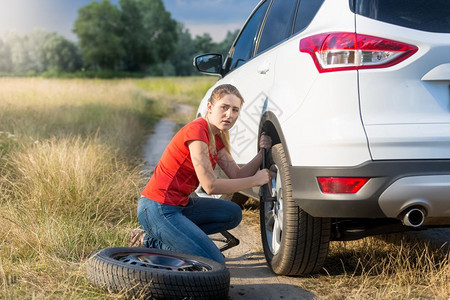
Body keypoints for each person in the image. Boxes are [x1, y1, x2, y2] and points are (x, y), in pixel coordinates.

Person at [133, 84, 272, 264]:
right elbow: (210, 186)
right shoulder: (197, 130)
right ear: (209, 107)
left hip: (179, 206)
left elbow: (237, 176)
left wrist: (262, 154)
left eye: (235, 110)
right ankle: (148, 241)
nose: (230, 115)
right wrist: (255, 180)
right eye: (224, 107)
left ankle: (178, 240)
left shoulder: (215, 138)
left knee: (233, 213)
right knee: (214, 262)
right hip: (157, 207)